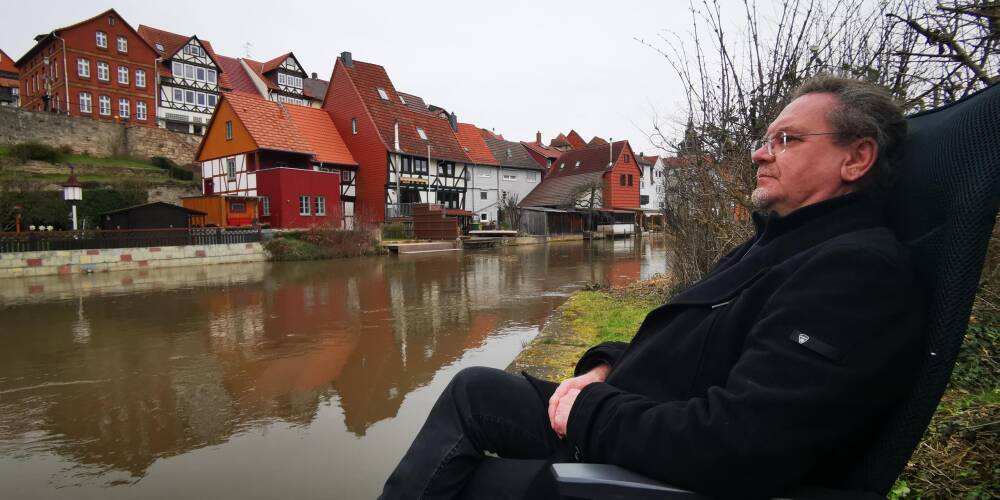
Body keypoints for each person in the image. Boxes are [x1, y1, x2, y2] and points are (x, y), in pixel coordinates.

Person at [380, 75, 924, 499]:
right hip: (630, 414)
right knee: (475, 388)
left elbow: (743, 446)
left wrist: (591, 411)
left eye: (786, 140)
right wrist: (604, 367)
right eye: (765, 139)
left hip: (660, 469)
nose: (760, 153)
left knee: (461, 487)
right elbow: (690, 342)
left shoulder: (855, 273)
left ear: (856, 158)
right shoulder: (778, 242)